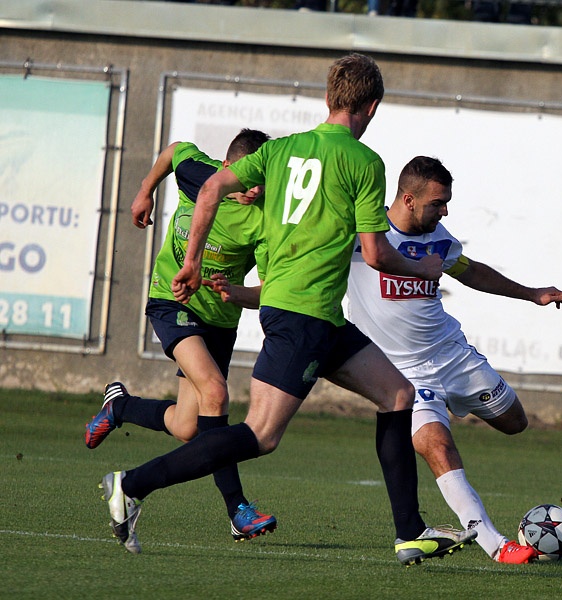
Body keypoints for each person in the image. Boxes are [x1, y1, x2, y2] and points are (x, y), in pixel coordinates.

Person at [98, 53, 477, 566]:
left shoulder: (280, 151)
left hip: (315, 315)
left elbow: (210, 187)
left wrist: (190, 260)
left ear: (328, 98)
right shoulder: (364, 162)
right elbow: (375, 253)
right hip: (303, 315)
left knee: (397, 394)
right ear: (371, 106)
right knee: (261, 434)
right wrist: (427, 268)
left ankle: (409, 532)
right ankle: (131, 484)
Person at [345, 156, 562, 564]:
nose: (446, 210)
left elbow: (471, 272)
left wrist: (533, 293)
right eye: (438, 202)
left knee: (515, 423)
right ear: (409, 199)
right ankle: (494, 542)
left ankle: (451, 407)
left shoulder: (439, 238)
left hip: (454, 357)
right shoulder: (362, 236)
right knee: (437, 444)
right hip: (403, 374)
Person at [85, 129, 276, 552]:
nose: (255, 190)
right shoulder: (201, 175)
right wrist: (144, 192)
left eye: (261, 180)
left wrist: (236, 293)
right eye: (248, 180)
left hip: (220, 321)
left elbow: (268, 289)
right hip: (172, 301)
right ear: (227, 169)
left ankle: (121, 407)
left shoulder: (266, 217)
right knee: (216, 392)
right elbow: (173, 152)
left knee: (188, 426)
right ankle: (238, 510)